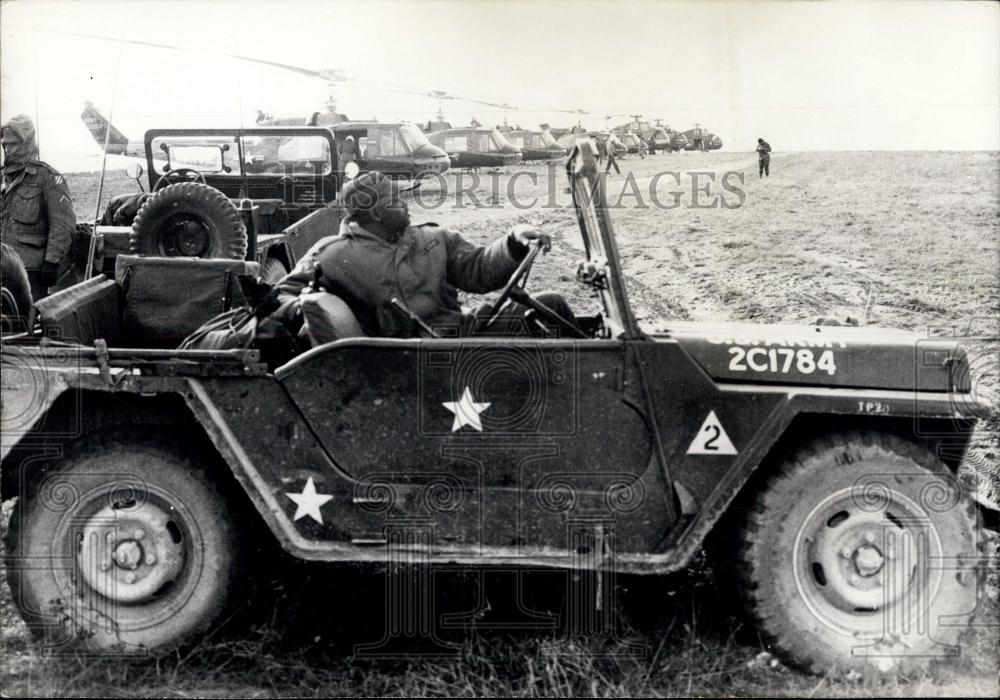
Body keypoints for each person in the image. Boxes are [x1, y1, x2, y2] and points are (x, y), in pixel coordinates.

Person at [272, 172, 575, 340]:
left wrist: (513, 240)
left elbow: (478, 269)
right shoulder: (334, 255)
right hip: (411, 362)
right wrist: (305, 309)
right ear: (376, 212)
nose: (406, 205)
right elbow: (281, 295)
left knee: (551, 305)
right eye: (397, 200)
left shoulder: (432, 238)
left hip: (463, 337)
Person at [1, 115, 75, 302]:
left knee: (26, 323)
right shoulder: (3, 178)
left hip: (30, 271)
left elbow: (62, 224)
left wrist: (52, 261)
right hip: (3, 266)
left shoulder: (48, 178)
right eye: (4, 145)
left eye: (13, 144)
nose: (7, 150)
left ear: (26, 143)